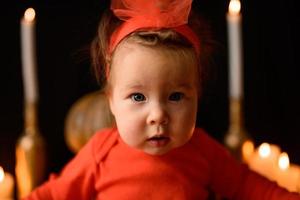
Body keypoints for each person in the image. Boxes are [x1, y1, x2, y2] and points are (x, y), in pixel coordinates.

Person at [24, 0, 300, 199]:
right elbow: (51, 194)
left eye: (176, 96)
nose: (158, 114)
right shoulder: (101, 152)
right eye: (138, 96)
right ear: (111, 101)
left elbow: (250, 187)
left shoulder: (202, 151)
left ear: (197, 96)